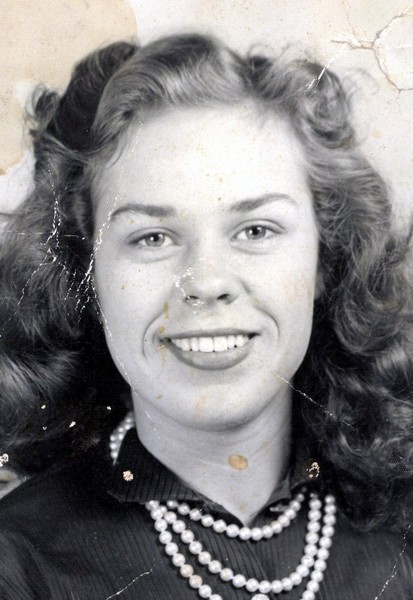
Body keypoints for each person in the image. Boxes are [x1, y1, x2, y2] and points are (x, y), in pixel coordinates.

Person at [0, 33, 412, 600]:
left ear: (326, 259)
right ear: (86, 274)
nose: (206, 283)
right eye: (152, 237)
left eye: (256, 230)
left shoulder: (400, 532)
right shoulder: (19, 564)